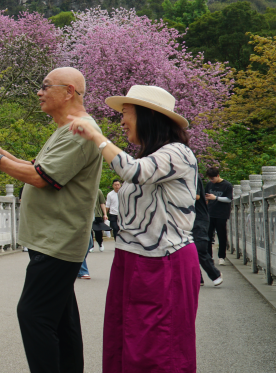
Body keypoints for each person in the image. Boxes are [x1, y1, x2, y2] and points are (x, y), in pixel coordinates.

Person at [0, 67, 102, 373]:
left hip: (58, 240)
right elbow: (39, 168)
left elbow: (42, 178)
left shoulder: (79, 131)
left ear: (68, 91)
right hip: (53, 238)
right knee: (61, 318)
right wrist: (2, 154)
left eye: (45, 86)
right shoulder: (67, 129)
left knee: (33, 314)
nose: (39, 92)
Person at [67, 85, 199, 373]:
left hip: (164, 261)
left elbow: (134, 172)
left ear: (148, 116)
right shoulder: (153, 156)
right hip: (131, 260)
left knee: (158, 348)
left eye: (126, 114)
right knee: (123, 340)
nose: (122, 122)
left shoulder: (178, 153)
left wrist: (96, 136)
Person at [194, 176, 223, 286]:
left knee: (199, 248)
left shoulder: (191, 174)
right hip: (186, 219)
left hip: (199, 218)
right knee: (189, 250)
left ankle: (215, 274)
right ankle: (198, 278)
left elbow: (196, 196)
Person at [205, 166, 233, 265]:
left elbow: (229, 199)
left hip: (222, 213)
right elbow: (206, 197)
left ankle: (221, 256)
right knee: (208, 235)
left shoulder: (227, 185)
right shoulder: (209, 184)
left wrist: (216, 198)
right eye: (209, 178)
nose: (211, 180)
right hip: (210, 212)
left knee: (221, 235)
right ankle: (209, 256)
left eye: (212, 178)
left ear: (217, 175)